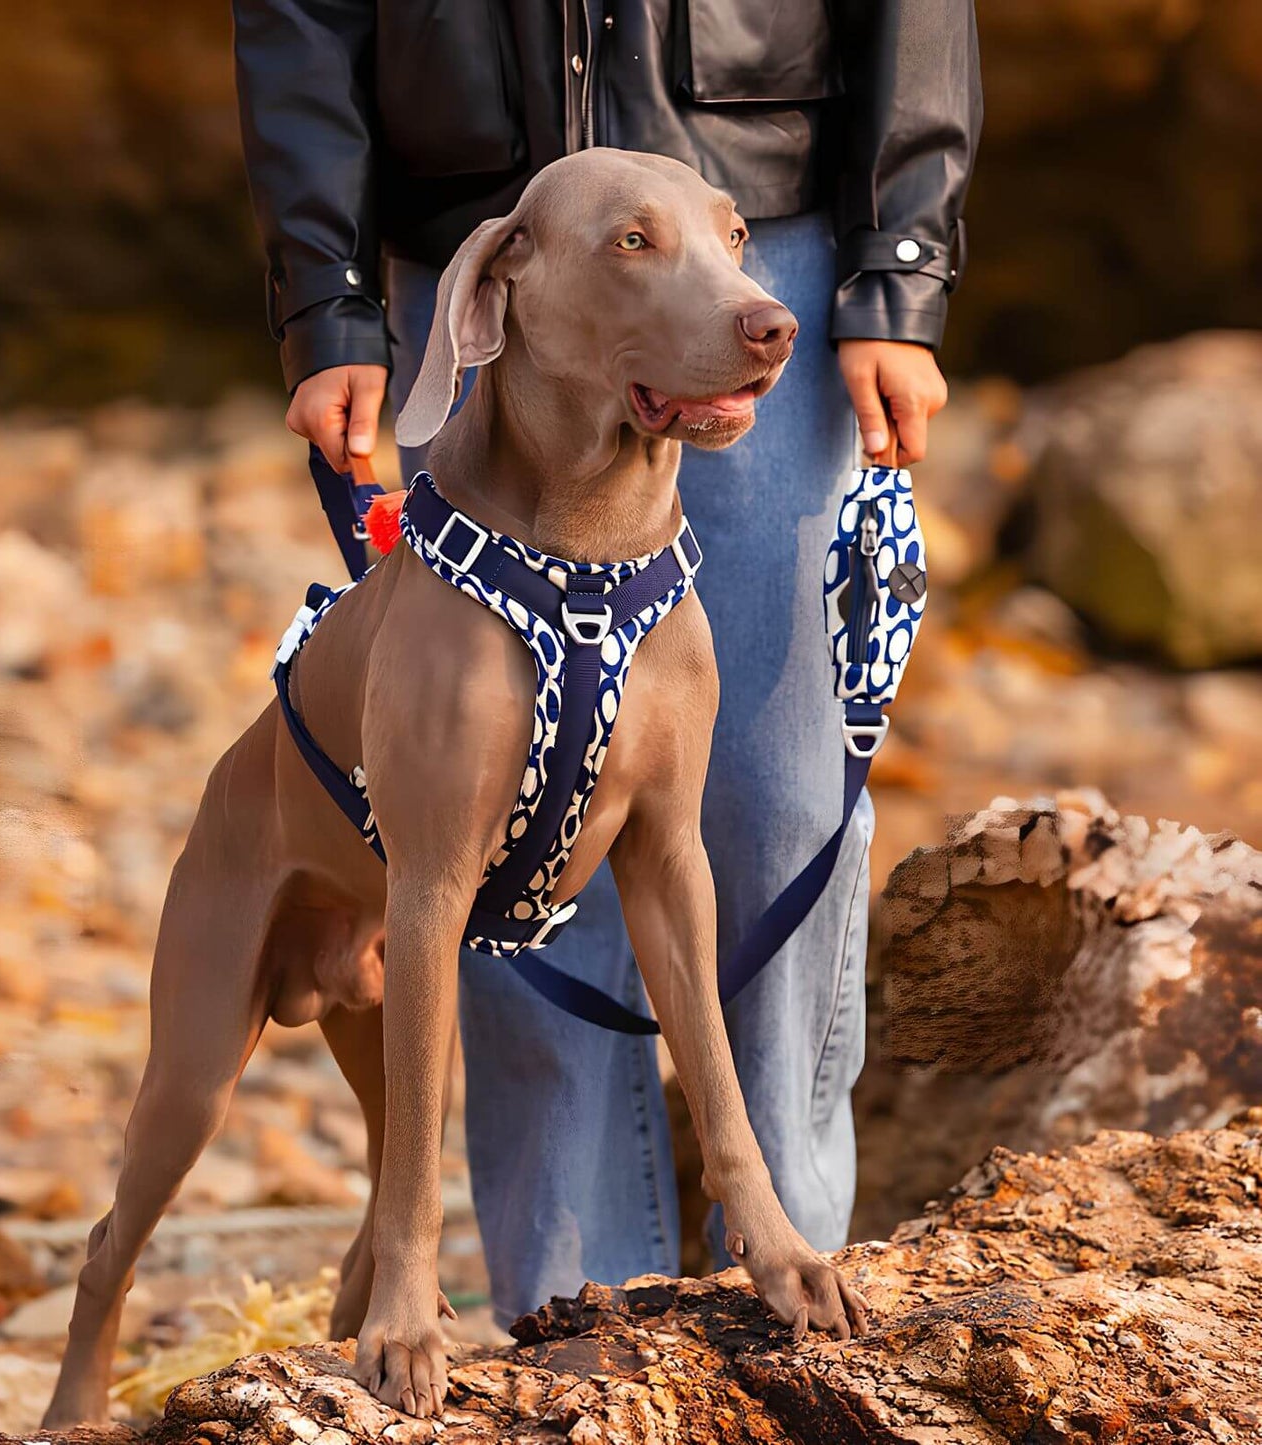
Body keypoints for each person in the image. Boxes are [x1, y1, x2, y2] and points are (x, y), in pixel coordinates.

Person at [233, 0, 981, 1324]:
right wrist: (329, 295)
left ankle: (792, 1269)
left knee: (771, 788)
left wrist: (896, 261)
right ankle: (576, 1312)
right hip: (476, 266)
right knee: (499, 832)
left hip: (767, 229)